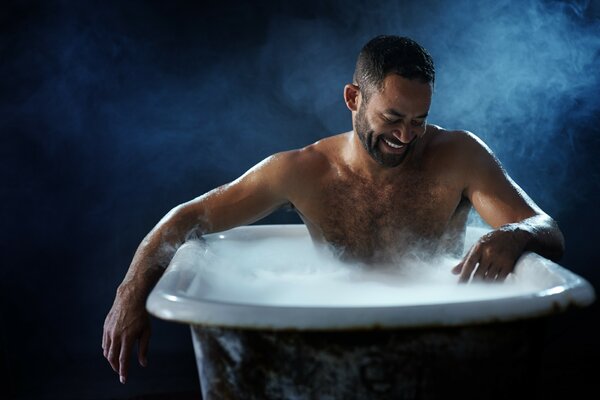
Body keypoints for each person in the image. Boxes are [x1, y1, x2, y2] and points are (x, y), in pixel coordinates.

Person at [102, 35, 565, 384]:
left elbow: (545, 226)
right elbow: (187, 218)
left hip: (438, 340)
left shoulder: (459, 155)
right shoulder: (303, 170)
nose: (407, 137)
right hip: (327, 339)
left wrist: (515, 233)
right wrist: (130, 293)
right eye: (393, 118)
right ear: (353, 98)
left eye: (418, 122)